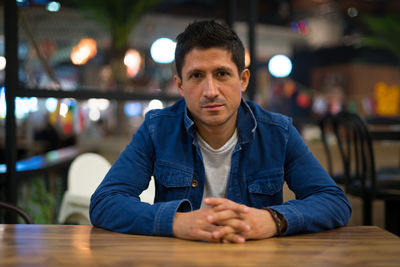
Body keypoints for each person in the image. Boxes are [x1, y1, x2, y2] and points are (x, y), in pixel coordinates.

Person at [90, 20, 351, 243]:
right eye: (196, 76)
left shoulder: (277, 132)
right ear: (180, 85)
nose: (211, 90)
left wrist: (272, 220)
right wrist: (177, 223)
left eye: (222, 74)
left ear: (243, 80)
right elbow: (106, 202)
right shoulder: (157, 129)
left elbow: (333, 201)